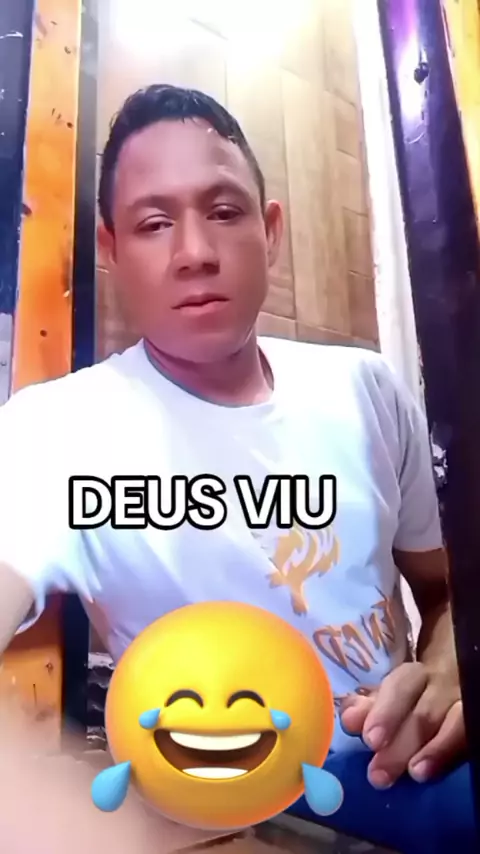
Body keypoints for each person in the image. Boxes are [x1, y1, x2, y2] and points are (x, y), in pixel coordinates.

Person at [0, 84, 474, 852]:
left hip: (400, 771)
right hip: (223, 798)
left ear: (270, 229)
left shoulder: (366, 389)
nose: (195, 252)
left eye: (224, 211)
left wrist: (450, 673)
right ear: (111, 249)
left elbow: (446, 594)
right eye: (154, 224)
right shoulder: (57, 431)